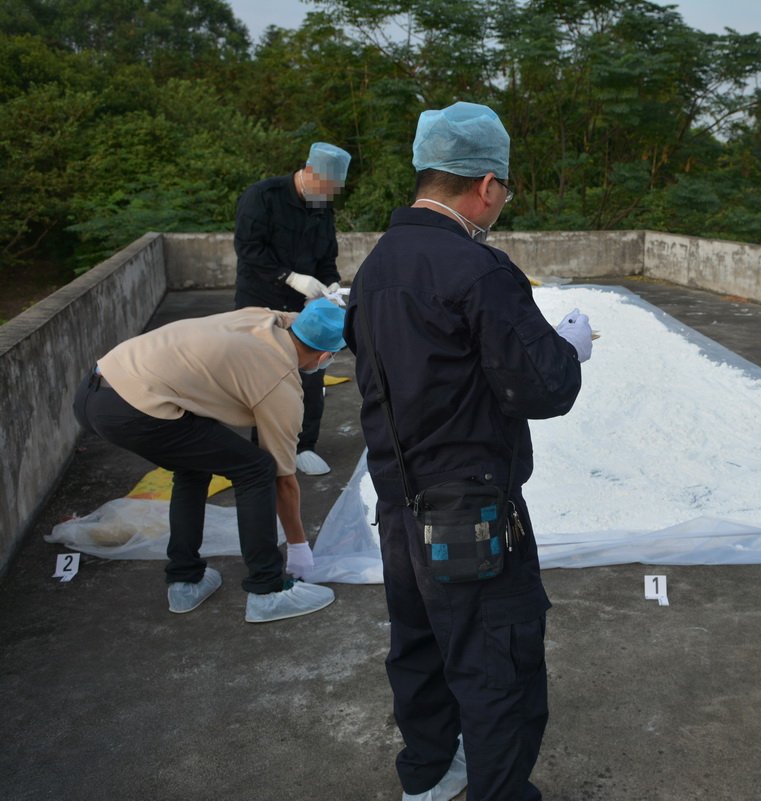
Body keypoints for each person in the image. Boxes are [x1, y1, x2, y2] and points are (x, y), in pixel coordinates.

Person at [346, 101, 592, 801]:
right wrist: (569, 348)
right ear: (486, 184)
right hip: (471, 511)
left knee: (419, 645)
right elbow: (543, 386)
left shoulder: (376, 268)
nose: (503, 201)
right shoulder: (479, 269)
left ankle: (427, 775)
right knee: (497, 665)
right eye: (504, 189)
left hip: (398, 500)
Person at [73, 299, 348, 623]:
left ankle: (185, 581)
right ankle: (267, 591)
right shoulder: (279, 383)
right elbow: (284, 480)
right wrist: (299, 546)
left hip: (95, 389)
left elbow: (299, 319)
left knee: (193, 465)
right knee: (257, 468)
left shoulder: (261, 320)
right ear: (324, 357)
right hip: (134, 410)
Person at [234, 141, 352, 477]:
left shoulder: (321, 208)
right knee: (266, 378)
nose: (328, 196)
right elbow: (248, 249)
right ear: (310, 172)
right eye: (326, 187)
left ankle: (305, 445)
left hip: (305, 306)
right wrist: (290, 277)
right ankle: (266, 450)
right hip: (261, 300)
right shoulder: (263, 197)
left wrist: (330, 284)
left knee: (312, 373)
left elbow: (326, 257)